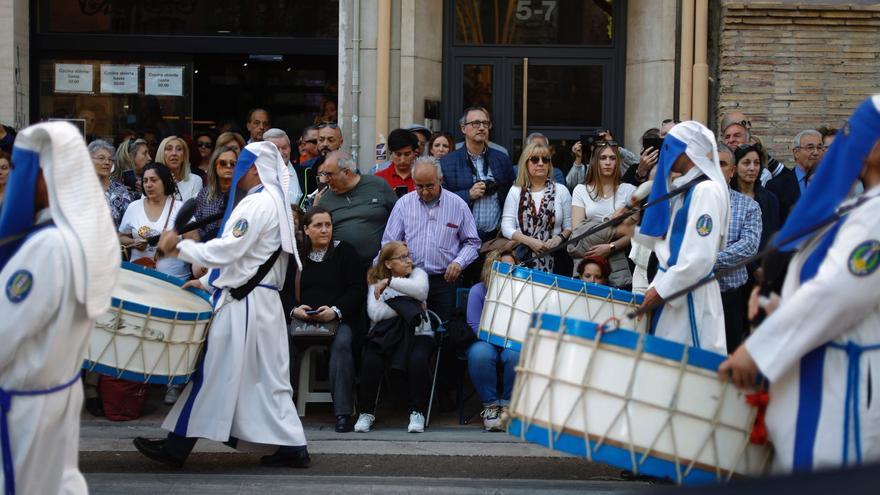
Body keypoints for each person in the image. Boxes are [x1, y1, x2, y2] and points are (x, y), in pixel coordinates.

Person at [720, 96, 880, 473]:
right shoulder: (857, 209)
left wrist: (758, 350)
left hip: (842, 389)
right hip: (815, 373)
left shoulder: (875, 217)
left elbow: (837, 294)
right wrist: (777, 305)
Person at [134, 140, 310, 468]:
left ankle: (176, 447)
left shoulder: (257, 204)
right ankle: (291, 447)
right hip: (258, 301)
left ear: (254, 169)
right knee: (265, 379)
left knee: (213, 372)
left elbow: (229, 250)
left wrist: (179, 248)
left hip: (245, 304)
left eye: (242, 164)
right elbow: (251, 258)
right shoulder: (273, 201)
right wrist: (205, 281)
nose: (236, 170)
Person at [0, 121, 120, 495]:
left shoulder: (47, 246)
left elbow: (5, 331)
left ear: (46, 175)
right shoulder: (81, 237)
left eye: (21, 168)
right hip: (58, 392)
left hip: (24, 405)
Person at [636, 121, 730, 355]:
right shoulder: (684, 191)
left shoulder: (706, 191)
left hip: (690, 298)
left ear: (688, 150)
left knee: (688, 364)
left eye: (670, 147)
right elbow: (668, 247)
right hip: (673, 291)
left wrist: (661, 291)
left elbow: (699, 257)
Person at [291, 206, 365, 433]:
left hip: (337, 320)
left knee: (342, 344)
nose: (324, 230)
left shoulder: (345, 252)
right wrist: (294, 310)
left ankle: (342, 413)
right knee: (281, 341)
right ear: (306, 229)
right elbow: (282, 290)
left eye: (328, 225)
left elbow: (357, 289)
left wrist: (336, 310)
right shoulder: (295, 255)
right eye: (318, 225)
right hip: (301, 320)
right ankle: (281, 411)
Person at [380, 156, 481, 322]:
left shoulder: (457, 205)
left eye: (430, 186)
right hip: (408, 279)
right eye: (419, 186)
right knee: (410, 328)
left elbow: (472, 242)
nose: (425, 192)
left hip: (444, 281)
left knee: (444, 328)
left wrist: (459, 262)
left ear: (440, 180)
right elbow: (389, 243)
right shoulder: (404, 204)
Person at [355, 241, 434, 433]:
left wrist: (389, 285)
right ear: (388, 263)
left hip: (419, 333)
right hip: (386, 335)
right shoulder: (375, 279)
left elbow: (421, 291)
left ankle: (417, 412)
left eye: (408, 255)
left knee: (418, 359)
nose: (409, 260)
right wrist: (411, 304)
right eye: (402, 257)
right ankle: (366, 412)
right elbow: (376, 313)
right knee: (371, 359)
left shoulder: (419, 274)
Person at [440, 107, 515, 242]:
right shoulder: (447, 162)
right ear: (463, 128)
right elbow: (440, 200)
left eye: (485, 123)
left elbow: (513, 196)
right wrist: (468, 195)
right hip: (460, 237)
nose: (481, 128)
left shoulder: (502, 159)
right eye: (475, 123)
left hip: (496, 237)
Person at [466, 250, 520, 431]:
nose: (509, 271)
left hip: (512, 341)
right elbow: (475, 325)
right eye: (504, 267)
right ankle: (490, 407)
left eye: (512, 267)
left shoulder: (522, 292)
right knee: (480, 354)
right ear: (491, 268)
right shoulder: (478, 290)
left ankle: (507, 406)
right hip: (485, 340)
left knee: (515, 355)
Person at [715, 143, 761, 351]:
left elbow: (749, 246)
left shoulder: (749, 206)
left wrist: (708, 261)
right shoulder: (689, 201)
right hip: (694, 292)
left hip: (729, 295)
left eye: (722, 164)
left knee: (727, 352)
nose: (716, 168)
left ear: (732, 171)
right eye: (712, 163)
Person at [314, 151, 398, 268]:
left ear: (346, 172)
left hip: (380, 265)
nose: (326, 179)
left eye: (329, 174)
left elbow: (399, 218)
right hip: (342, 267)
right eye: (324, 174)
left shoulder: (378, 185)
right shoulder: (325, 199)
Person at [569, 141, 636, 286]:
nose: (608, 162)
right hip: (588, 263)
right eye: (603, 158)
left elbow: (633, 233)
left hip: (620, 264)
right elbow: (578, 233)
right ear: (595, 161)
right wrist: (614, 225)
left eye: (612, 158)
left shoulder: (629, 190)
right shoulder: (581, 190)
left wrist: (611, 247)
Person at [501, 142, 572, 274]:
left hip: (555, 259)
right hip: (522, 258)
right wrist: (531, 242)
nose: (540, 163)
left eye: (545, 159)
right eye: (535, 159)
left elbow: (569, 226)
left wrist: (558, 239)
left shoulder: (561, 190)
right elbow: (506, 227)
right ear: (526, 164)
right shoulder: (515, 191)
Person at [118, 163, 189, 281]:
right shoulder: (134, 207)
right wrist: (134, 241)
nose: (148, 185)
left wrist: (172, 244)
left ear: (165, 181)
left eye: (153, 180)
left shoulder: (180, 208)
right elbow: (121, 237)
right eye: (145, 181)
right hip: (139, 276)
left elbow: (193, 243)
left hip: (173, 279)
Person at [731, 143, 781, 254]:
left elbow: (771, 234)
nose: (752, 168)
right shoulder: (728, 197)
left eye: (757, 163)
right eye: (746, 163)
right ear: (735, 167)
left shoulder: (769, 198)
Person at [193, 145, 237, 242]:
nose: (228, 166)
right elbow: (196, 224)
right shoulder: (204, 194)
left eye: (233, 163)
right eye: (223, 163)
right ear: (214, 166)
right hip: (206, 245)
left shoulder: (242, 194)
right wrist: (209, 239)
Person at [90, 139, 132, 226]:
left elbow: (128, 224)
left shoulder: (121, 191)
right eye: (101, 158)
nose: (107, 162)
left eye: (110, 159)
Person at [298, 123, 344, 198]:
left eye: (331, 140)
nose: (325, 144)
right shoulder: (305, 168)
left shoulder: (348, 168)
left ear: (341, 143)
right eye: (321, 140)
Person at [263, 128, 304, 206]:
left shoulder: (305, 173)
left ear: (290, 149)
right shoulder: (256, 174)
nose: (280, 153)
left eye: (284, 148)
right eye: (275, 149)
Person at [155, 135, 203, 201]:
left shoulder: (195, 180)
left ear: (184, 156)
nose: (174, 153)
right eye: (169, 149)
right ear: (161, 154)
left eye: (179, 149)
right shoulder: (152, 180)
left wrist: (175, 187)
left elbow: (192, 207)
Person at [376, 128, 419, 195]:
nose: (402, 160)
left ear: (414, 153)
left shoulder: (421, 176)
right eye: (398, 155)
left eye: (407, 154)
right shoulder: (379, 179)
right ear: (391, 153)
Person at [792, 129, 824, 194]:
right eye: (810, 147)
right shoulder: (778, 185)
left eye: (819, 147)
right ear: (796, 153)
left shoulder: (832, 181)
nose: (816, 152)